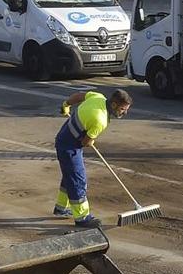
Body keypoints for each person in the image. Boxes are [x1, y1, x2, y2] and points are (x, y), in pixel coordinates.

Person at [53, 87, 132, 227]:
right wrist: (91, 140)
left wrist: (66, 105)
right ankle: (82, 217)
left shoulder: (98, 97)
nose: (125, 113)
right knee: (78, 179)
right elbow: (85, 142)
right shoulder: (100, 121)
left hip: (63, 137)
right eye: (122, 109)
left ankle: (61, 207)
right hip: (69, 147)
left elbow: (78, 96)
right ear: (113, 105)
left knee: (69, 174)